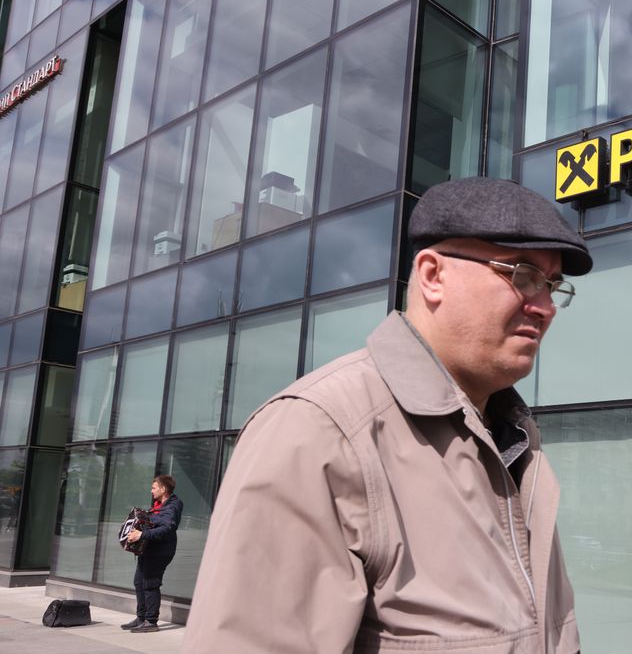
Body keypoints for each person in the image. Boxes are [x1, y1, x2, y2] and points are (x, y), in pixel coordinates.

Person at [184, 178, 592, 653]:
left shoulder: (515, 442)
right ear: (433, 275)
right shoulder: (319, 431)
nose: (544, 306)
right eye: (523, 275)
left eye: (552, 284)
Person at [122, 474, 182, 634]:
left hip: (160, 552)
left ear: (163, 489)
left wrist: (141, 535)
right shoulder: (158, 505)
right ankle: (141, 618)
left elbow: (167, 528)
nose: (151, 491)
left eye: (154, 487)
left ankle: (151, 621)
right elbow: (152, 523)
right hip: (149, 550)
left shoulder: (172, 507)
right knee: (139, 582)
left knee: (150, 584)